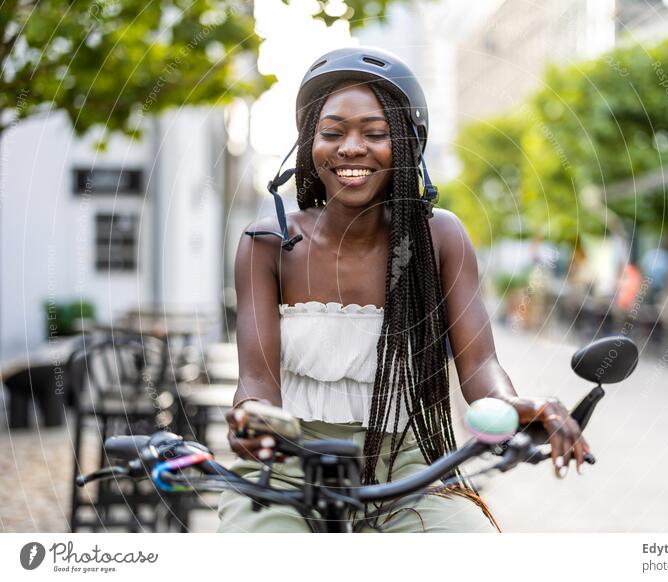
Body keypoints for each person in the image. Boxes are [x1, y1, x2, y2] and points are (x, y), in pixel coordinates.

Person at [217, 46, 590, 533]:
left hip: (405, 460)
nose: (351, 147)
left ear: (408, 145)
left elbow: (479, 364)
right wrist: (253, 417)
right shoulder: (266, 244)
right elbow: (258, 380)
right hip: (285, 463)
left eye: (376, 133)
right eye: (332, 133)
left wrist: (512, 405)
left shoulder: (442, 237)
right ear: (310, 142)